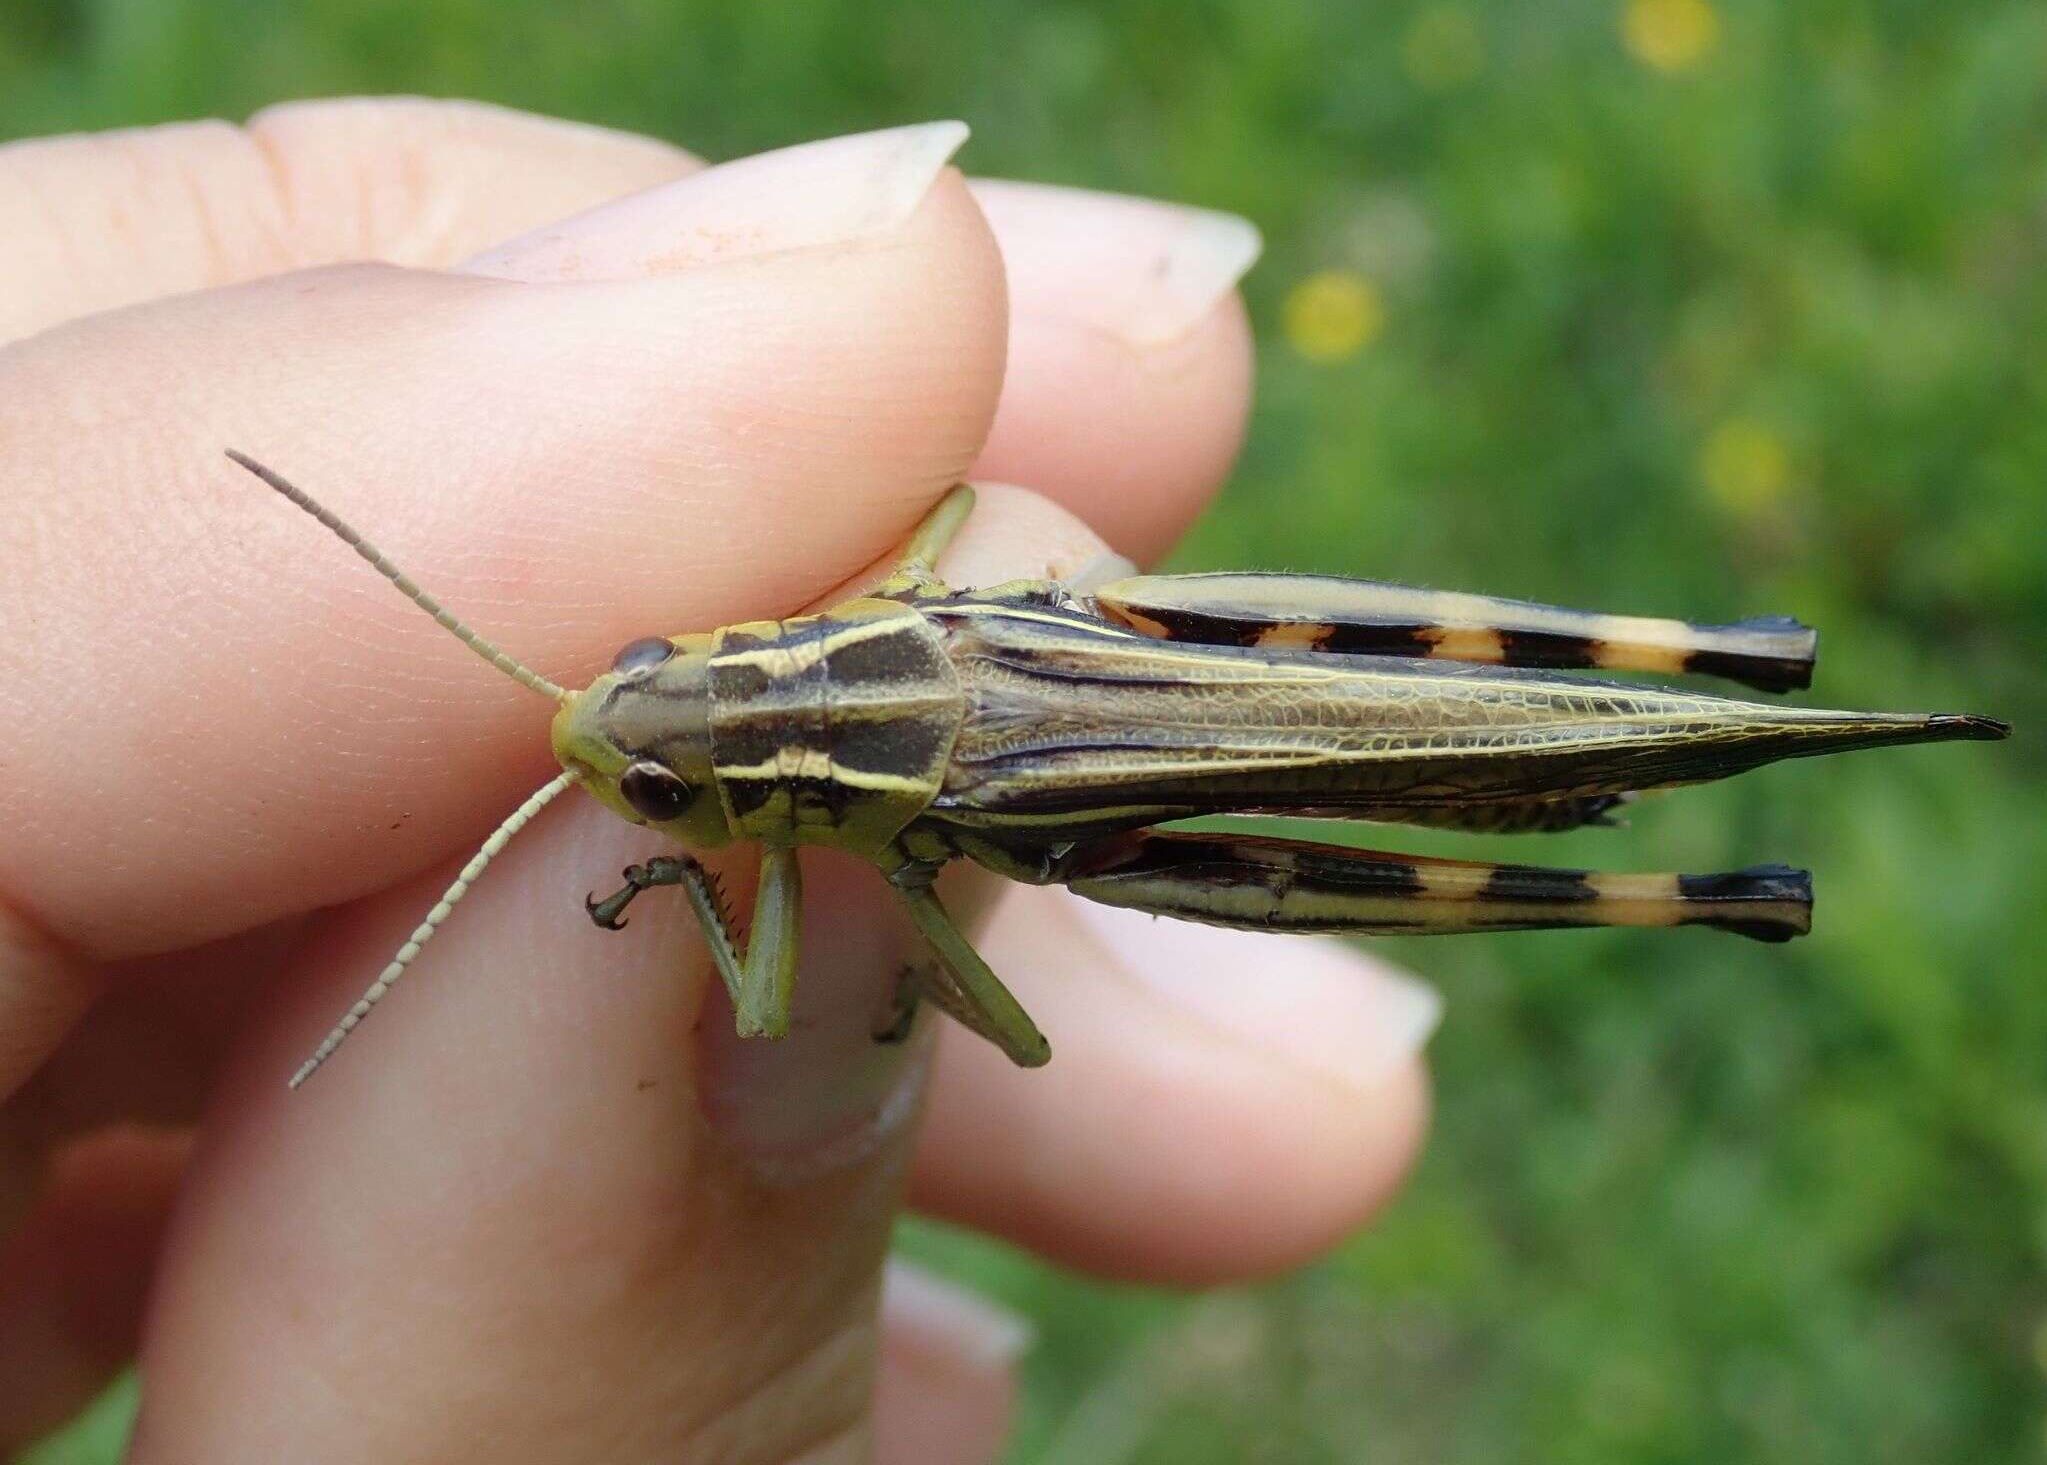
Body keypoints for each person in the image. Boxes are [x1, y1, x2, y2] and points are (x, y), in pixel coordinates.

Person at [0, 100, 1438, 1463]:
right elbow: (947, 507)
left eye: (668, 789)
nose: (611, 754)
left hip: (1077, 732)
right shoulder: (934, 583)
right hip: (1025, 674)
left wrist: (700, 882)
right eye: (669, 797)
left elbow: (774, 1006)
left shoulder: (889, 779)